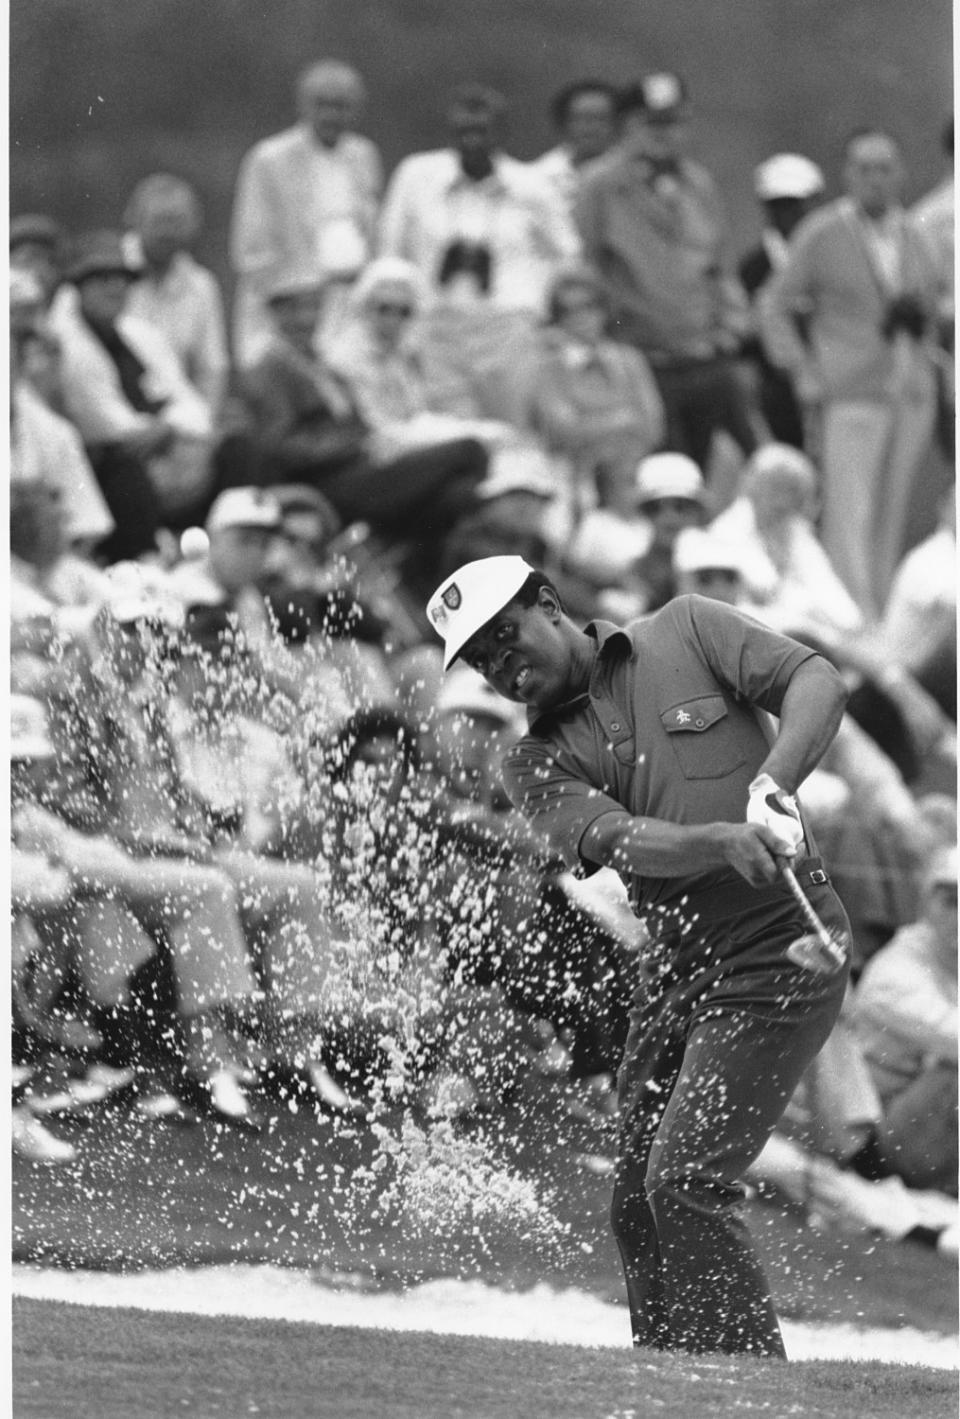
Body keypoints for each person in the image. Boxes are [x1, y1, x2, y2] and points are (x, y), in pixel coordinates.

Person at [425, 553, 852, 1357]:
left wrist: (776, 781)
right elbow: (620, 839)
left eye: (505, 638)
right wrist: (715, 840)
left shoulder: (687, 625)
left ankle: (751, 1393)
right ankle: (661, 1381)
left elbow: (816, 681)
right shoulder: (531, 760)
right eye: (482, 661)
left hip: (778, 952)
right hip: (678, 965)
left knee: (684, 1182)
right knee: (636, 1199)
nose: (502, 667)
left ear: (549, 603)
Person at [760, 129, 942, 618]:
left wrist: (924, 317)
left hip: (910, 389)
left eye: (885, 169)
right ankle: (852, 619)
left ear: (901, 174)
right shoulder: (823, 232)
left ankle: (884, 615)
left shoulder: (917, 234)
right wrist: (802, 369)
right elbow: (773, 303)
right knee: (849, 512)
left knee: (892, 511)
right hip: (851, 388)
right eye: (864, 169)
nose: (876, 180)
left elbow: (939, 299)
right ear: (847, 175)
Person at [575, 72, 758, 472]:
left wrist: (730, 329)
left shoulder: (698, 184)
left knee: (717, 466)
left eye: (673, 123)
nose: (663, 134)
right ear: (627, 127)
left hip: (703, 356)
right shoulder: (600, 186)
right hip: (640, 360)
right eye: (650, 123)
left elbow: (720, 267)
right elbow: (586, 270)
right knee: (660, 475)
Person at [378, 83, 579, 424]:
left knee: (512, 426)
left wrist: (543, 312)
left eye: (482, 131)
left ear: (501, 134)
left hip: (507, 326)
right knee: (451, 428)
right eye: (462, 132)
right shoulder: (418, 176)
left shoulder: (532, 186)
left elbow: (568, 254)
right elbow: (391, 250)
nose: (472, 141)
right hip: (438, 324)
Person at [47, 230, 216, 551]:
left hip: (165, 450)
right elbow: (108, 425)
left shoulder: (140, 334)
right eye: (102, 278)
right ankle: (142, 557)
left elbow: (193, 405)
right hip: (106, 465)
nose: (115, 287)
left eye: (122, 278)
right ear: (79, 286)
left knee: (234, 448)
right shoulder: (67, 345)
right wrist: (173, 429)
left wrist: (169, 428)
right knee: (125, 469)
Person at [229, 60, 382, 369]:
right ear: (303, 106)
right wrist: (300, 297)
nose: (331, 115)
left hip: (348, 303)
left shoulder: (363, 155)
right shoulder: (270, 159)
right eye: (321, 105)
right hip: (286, 307)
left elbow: (371, 229)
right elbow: (251, 247)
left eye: (341, 106)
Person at [528, 265, 665, 520]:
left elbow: (653, 426)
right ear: (557, 319)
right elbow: (563, 431)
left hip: (635, 469)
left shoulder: (630, 359)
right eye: (568, 311)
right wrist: (624, 418)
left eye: (589, 306)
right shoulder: (548, 369)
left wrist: (595, 425)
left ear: (603, 309)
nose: (581, 317)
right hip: (579, 477)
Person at [122, 173, 230, 421]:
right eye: (159, 221)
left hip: (178, 419)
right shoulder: (108, 273)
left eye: (178, 222)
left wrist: (203, 427)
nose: (168, 232)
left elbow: (212, 370)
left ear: (195, 225)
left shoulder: (201, 285)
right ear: (134, 219)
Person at [738, 153, 826, 448]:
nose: (789, 215)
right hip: (776, 390)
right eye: (780, 206)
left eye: (796, 205)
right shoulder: (754, 267)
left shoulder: (830, 256)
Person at [527, 80, 618, 217]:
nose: (591, 128)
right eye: (582, 118)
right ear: (563, 123)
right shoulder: (537, 178)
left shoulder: (633, 174)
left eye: (601, 119)